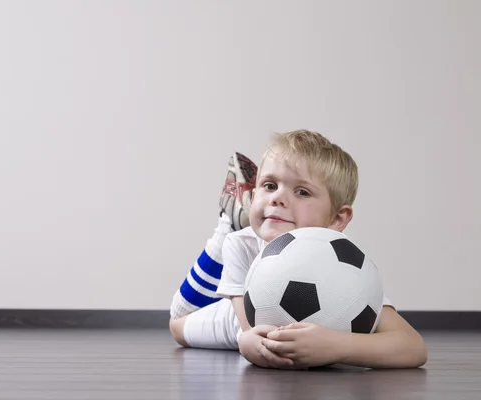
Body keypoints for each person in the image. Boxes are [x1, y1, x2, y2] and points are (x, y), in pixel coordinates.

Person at [169, 129, 428, 369]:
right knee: (177, 324)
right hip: (236, 317)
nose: (278, 198)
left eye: (302, 192)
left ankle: (235, 215)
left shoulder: (346, 266)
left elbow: (413, 347)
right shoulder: (242, 245)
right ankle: (227, 224)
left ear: (337, 219)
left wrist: (338, 346)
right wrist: (247, 341)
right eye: (269, 186)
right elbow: (254, 331)